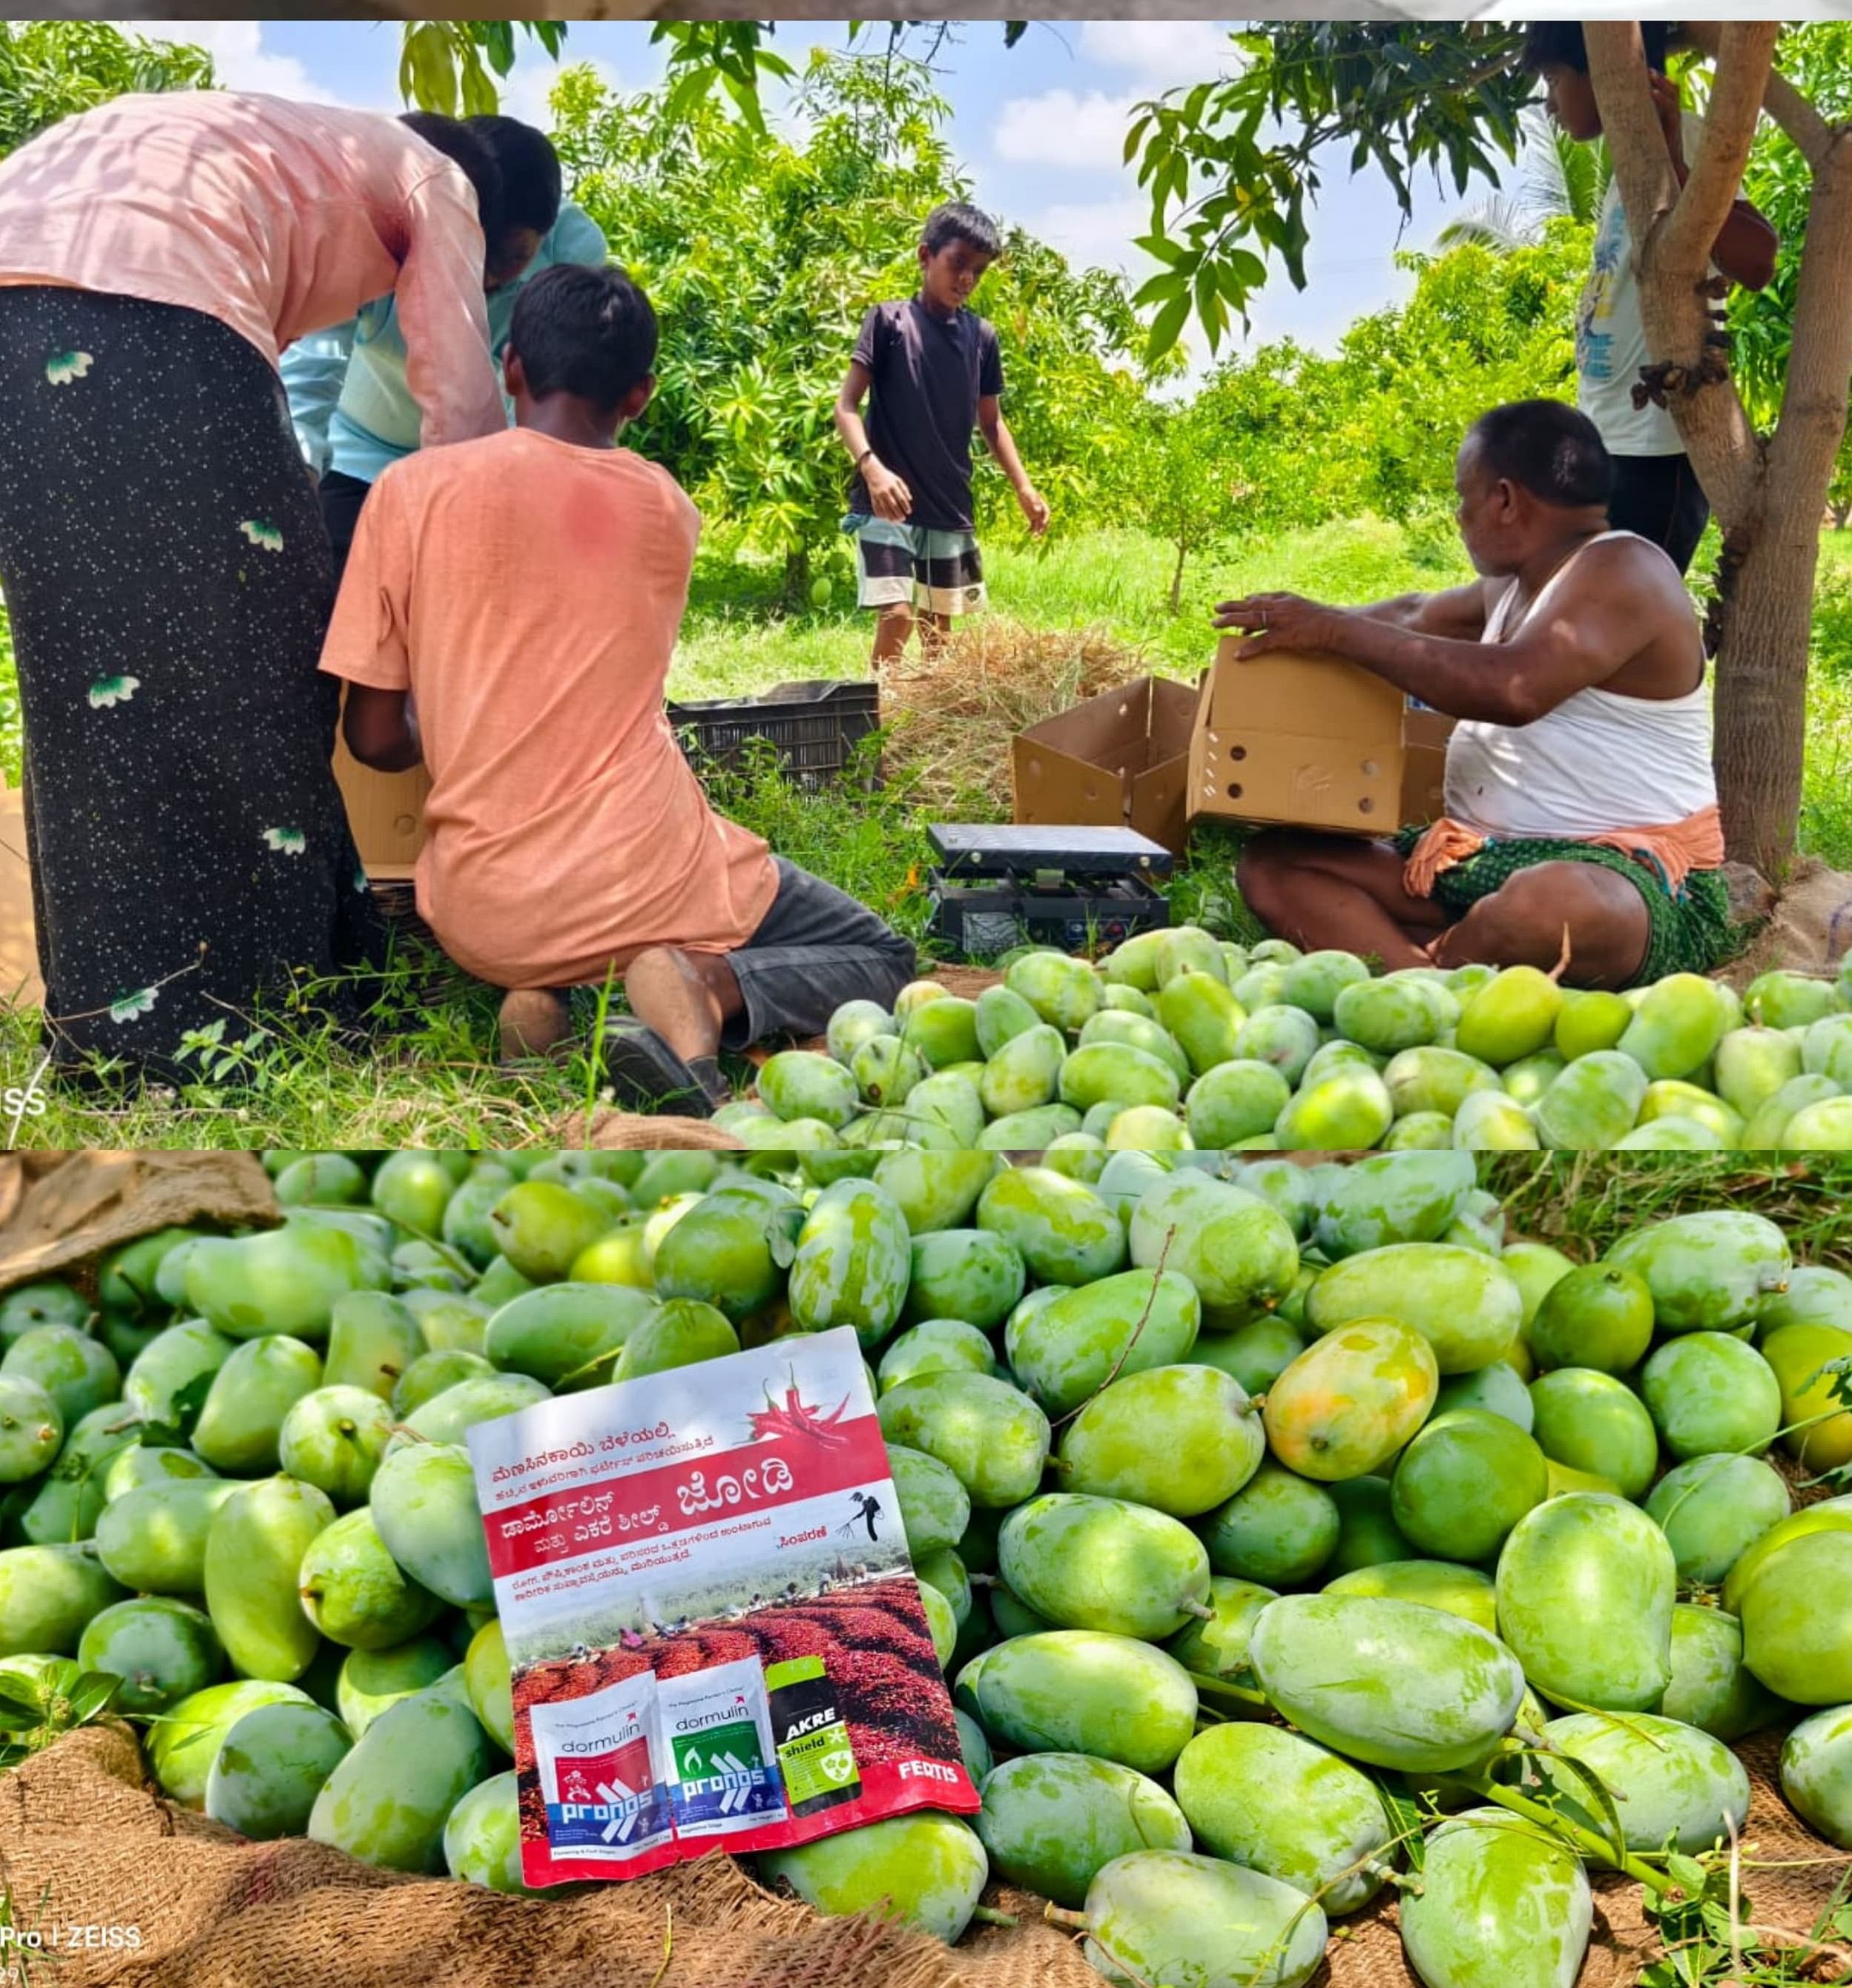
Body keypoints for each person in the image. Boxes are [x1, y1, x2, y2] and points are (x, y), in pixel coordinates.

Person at [320, 262, 917, 1114]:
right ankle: (703, 987)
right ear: (639, 395)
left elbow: (372, 740)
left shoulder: (409, 491)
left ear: (511, 367)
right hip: (649, 881)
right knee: (884, 954)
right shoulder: (667, 510)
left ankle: (542, 1000)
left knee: (553, 932)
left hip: (480, 910)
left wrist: (451, 710)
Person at [0, 92, 513, 1080]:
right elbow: (460, 411)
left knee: (97, 678)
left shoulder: (284, 141)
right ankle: (256, 1006)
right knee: (275, 658)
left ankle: (116, 1018)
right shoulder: (434, 176)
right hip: (149, 316)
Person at [1219, 400, 1733, 991]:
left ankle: (1432, 969)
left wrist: (1336, 630)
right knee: (1274, 863)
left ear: (1506, 500)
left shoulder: (1626, 570)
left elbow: (1513, 687)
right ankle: (1428, 984)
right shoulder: (1514, 585)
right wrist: (1301, 625)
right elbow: (1414, 615)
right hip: (1478, 863)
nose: (1460, 518)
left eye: (1464, 498)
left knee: (1550, 905)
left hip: (1622, 874)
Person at [283, 115, 610, 587]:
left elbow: (565, 389)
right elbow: (313, 370)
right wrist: (297, 479)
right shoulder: (375, 231)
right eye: (475, 251)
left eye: (512, 258)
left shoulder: (571, 252)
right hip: (360, 457)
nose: (487, 277)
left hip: (485, 463)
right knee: (332, 600)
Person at [1522, 22, 1777, 575]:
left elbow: (1758, 260)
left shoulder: (1678, 136)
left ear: (1610, 74)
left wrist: (1675, 164)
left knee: (1619, 624)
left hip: (1657, 455)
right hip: (1611, 442)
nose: (1549, 104)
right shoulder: (1627, 166)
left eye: (1554, 79)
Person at [833, 201, 1048, 669]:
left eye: (979, 271)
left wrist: (1024, 487)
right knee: (897, 615)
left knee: (939, 633)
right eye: (958, 264)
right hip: (887, 504)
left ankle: (925, 732)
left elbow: (991, 423)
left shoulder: (981, 337)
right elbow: (845, 406)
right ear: (925, 256)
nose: (967, 279)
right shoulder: (889, 322)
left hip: (949, 504)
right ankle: (878, 721)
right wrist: (872, 469)